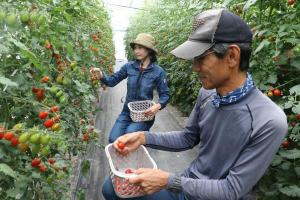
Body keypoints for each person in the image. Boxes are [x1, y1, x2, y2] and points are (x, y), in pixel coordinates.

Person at [102, 8, 288, 200]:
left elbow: (232, 190)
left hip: (212, 194)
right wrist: (143, 137)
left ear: (232, 56)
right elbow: (188, 138)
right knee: (111, 188)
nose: (194, 67)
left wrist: (168, 181)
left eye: (201, 58)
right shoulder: (207, 94)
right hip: (186, 186)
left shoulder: (269, 121)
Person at [90, 33, 170, 143]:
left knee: (129, 137)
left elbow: (165, 94)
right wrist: (101, 76)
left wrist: (158, 106)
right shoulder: (130, 66)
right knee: (113, 139)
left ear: (149, 50)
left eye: (140, 48)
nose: (136, 51)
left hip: (144, 115)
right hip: (127, 111)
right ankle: (140, 139)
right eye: (135, 48)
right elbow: (112, 81)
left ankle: (142, 139)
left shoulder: (158, 72)